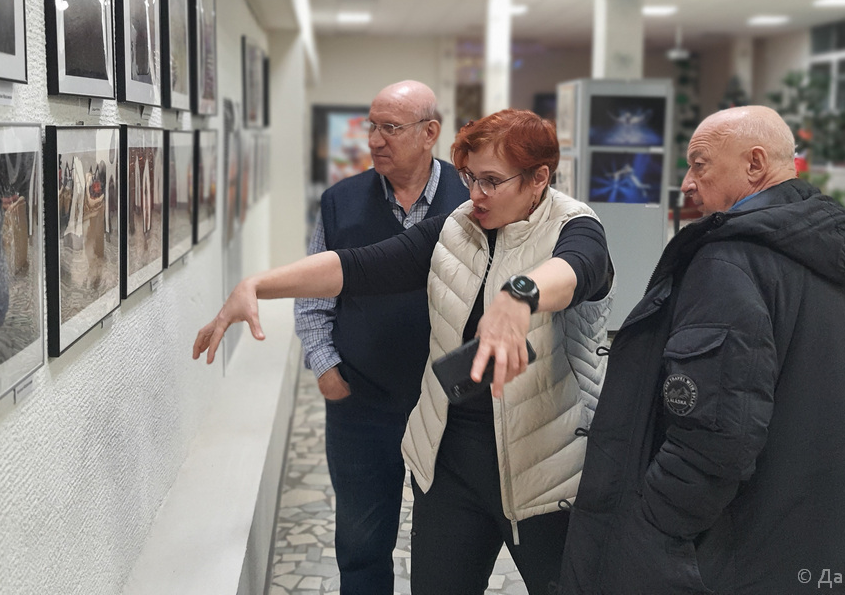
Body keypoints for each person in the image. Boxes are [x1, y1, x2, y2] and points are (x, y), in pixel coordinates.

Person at [195, 109, 614, 594]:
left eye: (492, 181)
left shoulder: (575, 225)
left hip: (545, 465)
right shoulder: (456, 228)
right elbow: (360, 267)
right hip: (451, 462)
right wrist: (258, 284)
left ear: (539, 178)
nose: (475, 193)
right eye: (469, 177)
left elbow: (579, 268)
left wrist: (519, 295)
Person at [559, 106, 845, 594]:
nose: (685, 182)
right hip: (805, 535)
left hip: (725, 555)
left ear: (755, 164)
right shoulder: (820, 251)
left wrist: (656, 522)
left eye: (699, 164)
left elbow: (715, 435)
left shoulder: (728, 262)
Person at [294, 80, 467, 594]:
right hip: (361, 404)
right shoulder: (340, 203)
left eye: (390, 128)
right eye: (371, 126)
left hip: (450, 406)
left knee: (446, 549)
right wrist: (326, 368)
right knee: (362, 544)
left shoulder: (472, 201)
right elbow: (314, 294)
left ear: (430, 132)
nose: (373, 140)